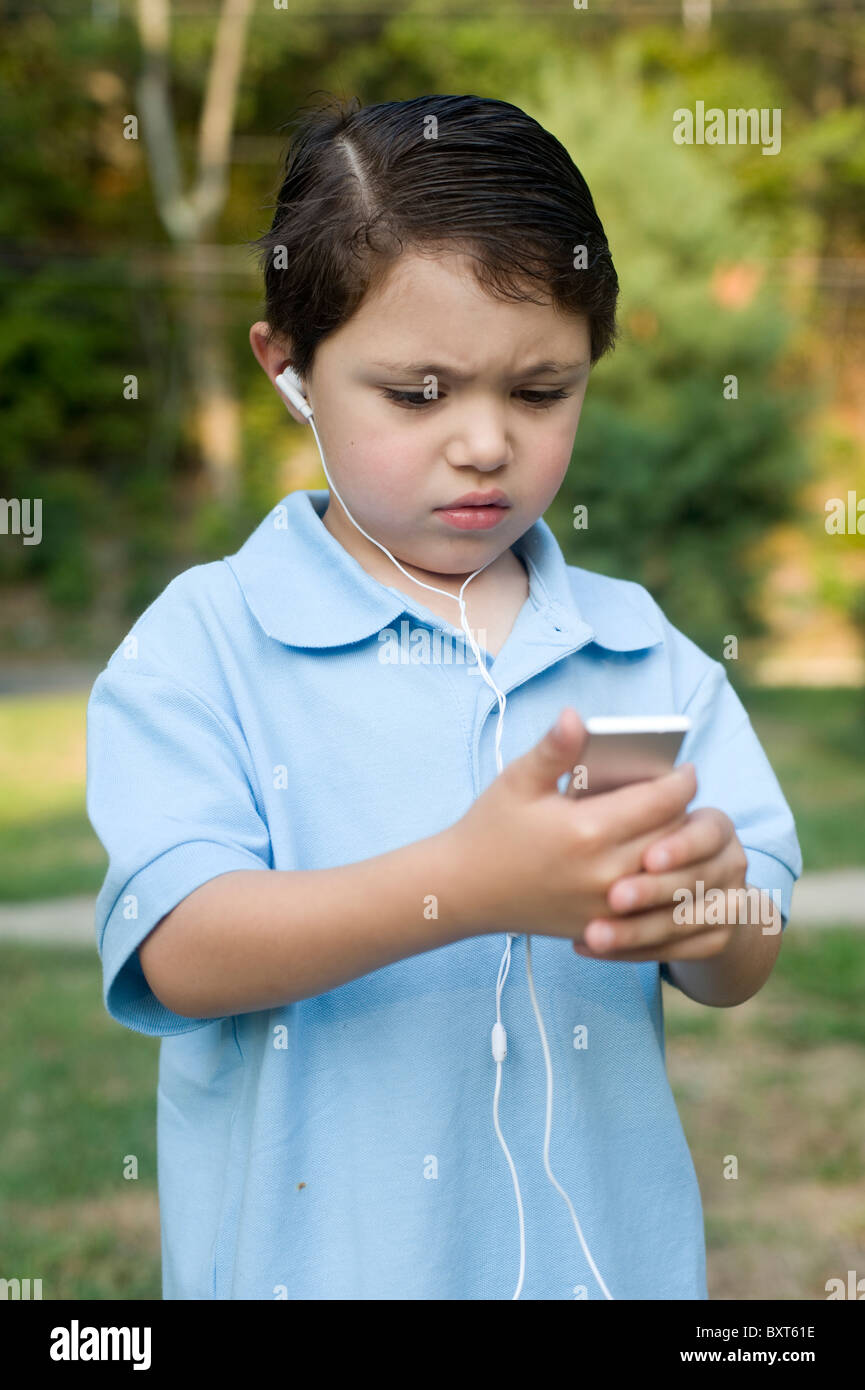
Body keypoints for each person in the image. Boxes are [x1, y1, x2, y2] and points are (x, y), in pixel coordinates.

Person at [86, 93, 801, 1300]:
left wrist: (704, 912)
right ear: (291, 369)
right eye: (417, 393)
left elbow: (747, 944)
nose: (483, 443)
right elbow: (179, 952)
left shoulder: (638, 651)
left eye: (540, 392)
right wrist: (463, 887)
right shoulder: (205, 643)